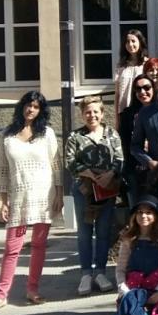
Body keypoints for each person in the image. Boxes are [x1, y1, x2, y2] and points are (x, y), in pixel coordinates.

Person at [0, 91, 63, 314]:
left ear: (41, 111)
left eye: (36, 107)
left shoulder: (46, 133)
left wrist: (59, 194)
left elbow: (56, 165)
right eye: (28, 105)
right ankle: (1, 296)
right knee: (11, 248)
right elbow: (2, 170)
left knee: (38, 245)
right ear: (21, 107)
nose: (31, 110)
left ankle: (32, 290)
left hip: (44, 196)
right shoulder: (6, 135)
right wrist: (3, 201)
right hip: (19, 197)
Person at [65, 96, 124, 296]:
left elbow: (119, 158)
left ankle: (100, 271)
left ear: (102, 113)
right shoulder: (75, 136)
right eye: (88, 112)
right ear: (83, 114)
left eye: (95, 112)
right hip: (84, 190)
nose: (92, 115)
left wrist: (109, 175)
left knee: (103, 231)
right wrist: (89, 174)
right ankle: (86, 274)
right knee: (84, 232)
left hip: (107, 189)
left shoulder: (111, 133)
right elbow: (70, 161)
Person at [119, 74, 157, 197]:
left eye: (146, 87)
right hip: (134, 169)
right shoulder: (127, 115)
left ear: (153, 89)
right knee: (136, 209)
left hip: (157, 167)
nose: (142, 92)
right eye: (138, 89)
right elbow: (124, 143)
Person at [114, 30, 150, 123]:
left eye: (133, 41)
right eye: (127, 41)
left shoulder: (147, 64)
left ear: (140, 42)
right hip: (124, 111)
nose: (130, 44)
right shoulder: (121, 66)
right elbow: (117, 94)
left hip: (142, 110)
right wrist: (117, 118)